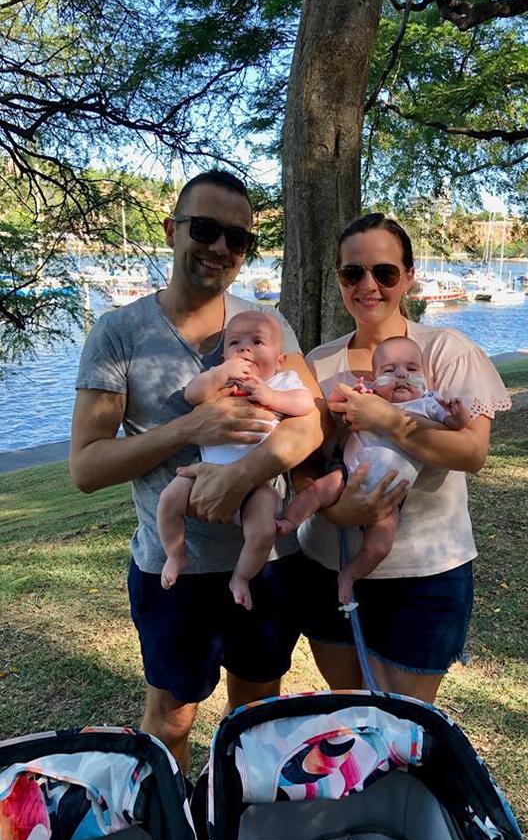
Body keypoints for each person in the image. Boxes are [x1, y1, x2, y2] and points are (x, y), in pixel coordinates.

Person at [70, 169, 322, 771]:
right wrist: (189, 429)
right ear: (172, 230)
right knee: (171, 719)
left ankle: (234, 812)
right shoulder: (118, 333)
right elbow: (85, 465)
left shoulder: (268, 324)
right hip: (173, 570)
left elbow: (310, 423)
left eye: (238, 239)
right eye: (205, 229)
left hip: (263, 567)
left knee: (256, 712)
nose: (220, 248)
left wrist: (242, 475)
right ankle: (174, 814)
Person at [287, 212, 511, 702]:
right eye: (353, 273)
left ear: (408, 277)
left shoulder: (446, 350)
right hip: (326, 564)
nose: (368, 285)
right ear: (340, 280)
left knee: (406, 722)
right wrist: (330, 505)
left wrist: (387, 419)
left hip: (424, 574)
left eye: (384, 273)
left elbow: (472, 452)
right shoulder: (319, 361)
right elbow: (300, 458)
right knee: (350, 709)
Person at [277, 335, 470, 605]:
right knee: (319, 490)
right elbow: (333, 407)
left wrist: (458, 416)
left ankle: (351, 574)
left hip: (391, 497)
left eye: (412, 369)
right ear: (375, 377)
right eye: (389, 371)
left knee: (380, 545)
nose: (401, 375)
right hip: (349, 473)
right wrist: (348, 394)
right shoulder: (369, 397)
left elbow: (456, 429)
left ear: (425, 377)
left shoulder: (428, 404)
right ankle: (288, 521)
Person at [158, 310, 314, 606]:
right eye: (235, 343)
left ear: (280, 360)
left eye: (257, 342)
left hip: (256, 484)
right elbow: (192, 394)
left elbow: (305, 403)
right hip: (202, 472)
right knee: (168, 500)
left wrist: (270, 397)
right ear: (223, 357)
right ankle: (175, 555)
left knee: (263, 530)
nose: (245, 349)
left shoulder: (282, 381)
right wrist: (218, 375)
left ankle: (241, 577)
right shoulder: (218, 381)